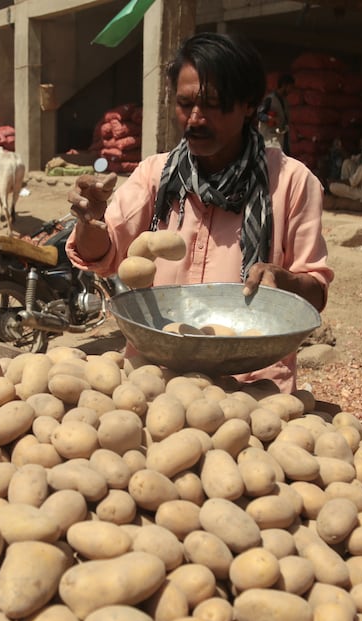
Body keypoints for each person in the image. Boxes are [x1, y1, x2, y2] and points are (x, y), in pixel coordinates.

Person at [66, 32, 333, 393]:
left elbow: (315, 293)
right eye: (184, 104)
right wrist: (89, 223)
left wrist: (283, 281)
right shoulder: (156, 175)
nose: (194, 119)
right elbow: (104, 254)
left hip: (251, 388)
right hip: (157, 378)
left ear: (248, 105)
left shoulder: (291, 182)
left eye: (211, 105)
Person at [329, 131, 362, 203]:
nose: (360, 143)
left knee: (332, 187)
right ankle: (343, 188)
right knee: (347, 162)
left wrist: (334, 181)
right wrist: (341, 149)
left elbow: (352, 182)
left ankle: (343, 191)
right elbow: (351, 158)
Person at [257, 73, 295, 155]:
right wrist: (270, 119)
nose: (291, 90)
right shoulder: (270, 99)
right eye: (290, 87)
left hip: (281, 139)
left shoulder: (284, 101)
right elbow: (259, 115)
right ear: (284, 85)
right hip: (270, 140)